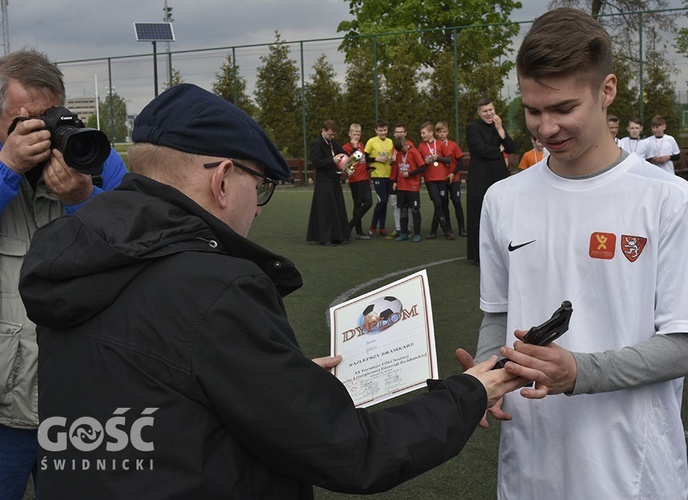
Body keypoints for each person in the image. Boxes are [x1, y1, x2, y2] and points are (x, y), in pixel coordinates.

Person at [18, 83, 526, 499]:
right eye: (259, 184)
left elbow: (151, 389)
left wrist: (269, 378)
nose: (258, 207)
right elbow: (351, 452)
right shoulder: (215, 286)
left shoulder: (74, 256)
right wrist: (469, 394)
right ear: (222, 179)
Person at [471, 9, 688, 499]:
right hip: (530, 467)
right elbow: (497, 313)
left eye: (563, 108)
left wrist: (580, 372)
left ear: (606, 90)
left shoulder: (669, 199)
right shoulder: (503, 198)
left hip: (631, 473)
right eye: (532, 110)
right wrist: (484, 374)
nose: (545, 128)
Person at [0, 49, 127, 500]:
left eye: (49, 115)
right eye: (26, 120)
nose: (44, 131)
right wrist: (8, 168)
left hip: (80, 405)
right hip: (3, 409)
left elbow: (141, 237)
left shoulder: (91, 154)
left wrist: (84, 198)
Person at [465, 97, 517, 263]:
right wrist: (498, 150)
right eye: (485, 111)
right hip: (479, 177)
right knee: (480, 214)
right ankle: (479, 256)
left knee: (500, 213)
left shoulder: (498, 127)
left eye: (491, 110)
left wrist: (501, 130)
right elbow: (480, 150)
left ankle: (501, 252)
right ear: (479, 113)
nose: (489, 113)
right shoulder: (472, 128)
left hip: (499, 176)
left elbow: (512, 148)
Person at [306, 120, 350, 246]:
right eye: (330, 134)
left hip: (334, 179)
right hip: (323, 181)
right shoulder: (316, 144)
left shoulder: (332, 143)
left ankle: (338, 235)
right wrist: (332, 160)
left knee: (337, 208)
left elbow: (343, 153)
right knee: (326, 210)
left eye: (333, 135)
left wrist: (348, 159)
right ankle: (325, 238)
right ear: (323, 131)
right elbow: (316, 162)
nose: (332, 137)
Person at [418, 122, 454, 240]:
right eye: (421, 133)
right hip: (430, 180)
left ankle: (433, 231)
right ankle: (446, 230)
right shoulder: (421, 146)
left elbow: (449, 160)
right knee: (437, 203)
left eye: (424, 133)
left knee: (441, 203)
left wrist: (438, 157)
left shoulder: (440, 144)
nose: (422, 135)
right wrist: (425, 161)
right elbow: (419, 162)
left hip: (441, 179)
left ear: (430, 133)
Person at [391, 135, 426, 243]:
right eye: (401, 149)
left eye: (404, 147)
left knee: (415, 210)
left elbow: (423, 167)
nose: (403, 149)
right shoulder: (399, 153)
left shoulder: (414, 152)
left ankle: (417, 234)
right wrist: (395, 182)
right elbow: (397, 168)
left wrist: (410, 174)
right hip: (401, 186)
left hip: (413, 186)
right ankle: (404, 233)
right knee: (403, 209)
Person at [341, 123, 372, 240]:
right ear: (349, 134)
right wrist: (354, 148)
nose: (356, 136)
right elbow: (349, 163)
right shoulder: (346, 147)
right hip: (355, 179)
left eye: (358, 134)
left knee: (369, 202)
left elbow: (363, 161)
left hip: (364, 178)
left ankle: (350, 226)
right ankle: (357, 231)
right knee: (357, 204)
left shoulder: (362, 145)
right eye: (354, 134)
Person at [436, 121, 466, 236]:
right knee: (444, 203)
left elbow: (460, 161)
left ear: (447, 132)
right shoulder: (435, 146)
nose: (442, 134)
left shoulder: (453, 145)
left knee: (457, 202)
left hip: (454, 178)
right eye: (439, 132)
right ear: (436, 133)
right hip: (441, 179)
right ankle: (448, 229)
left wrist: (453, 173)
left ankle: (462, 228)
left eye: (444, 132)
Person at [365, 120, 393, 237]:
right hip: (377, 175)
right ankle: (372, 227)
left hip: (388, 175)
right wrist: (377, 159)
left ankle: (382, 227)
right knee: (382, 200)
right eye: (380, 130)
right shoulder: (371, 141)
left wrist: (391, 161)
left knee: (385, 202)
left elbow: (392, 157)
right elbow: (365, 158)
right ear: (376, 130)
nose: (383, 132)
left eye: (385, 130)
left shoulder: (390, 142)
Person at [389, 123, 414, 238]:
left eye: (401, 132)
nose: (399, 134)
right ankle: (399, 228)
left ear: (405, 133)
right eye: (397, 132)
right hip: (393, 178)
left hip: (405, 179)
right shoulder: (391, 145)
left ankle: (407, 228)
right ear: (394, 134)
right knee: (395, 203)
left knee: (406, 204)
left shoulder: (409, 145)